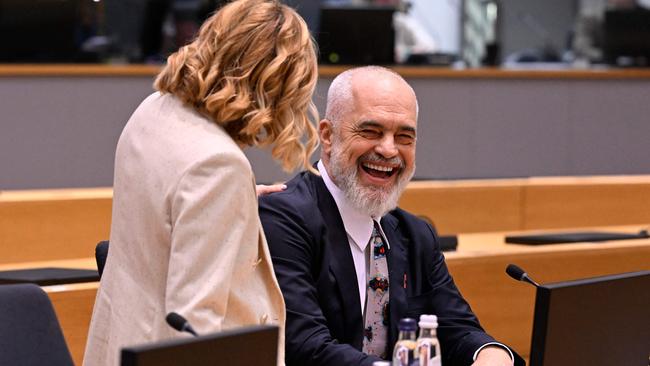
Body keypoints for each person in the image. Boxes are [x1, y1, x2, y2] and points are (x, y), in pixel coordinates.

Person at [83, 1, 318, 365]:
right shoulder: (219, 165)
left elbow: (162, 201)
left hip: (123, 338)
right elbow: (194, 326)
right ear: (275, 83)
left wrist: (231, 205)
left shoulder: (154, 109)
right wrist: (225, 194)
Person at [259, 66, 525, 366]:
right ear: (328, 135)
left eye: (404, 137)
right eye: (371, 131)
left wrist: (492, 354)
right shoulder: (284, 218)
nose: (388, 150)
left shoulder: (415, 234)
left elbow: (457, 328)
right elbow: (305, 347)